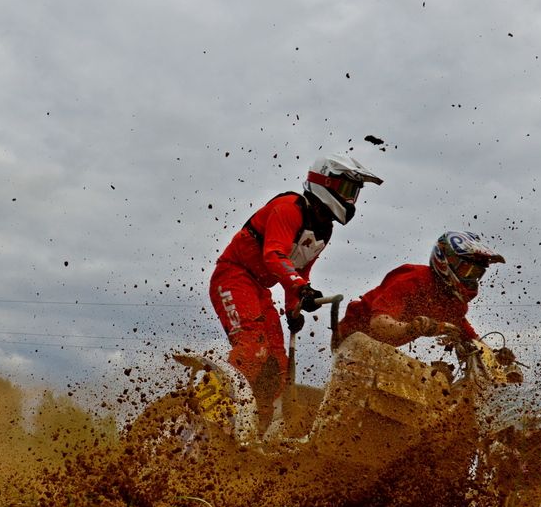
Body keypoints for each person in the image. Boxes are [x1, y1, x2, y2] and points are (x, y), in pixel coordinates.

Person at [209, 154, 382, 436]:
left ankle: (259, 429)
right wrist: (301, 288)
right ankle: (214, 410)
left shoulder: (323, 231)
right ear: (325, 182)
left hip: (259, 289)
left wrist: (295, 305)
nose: (352, 200)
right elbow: (274, 256)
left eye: (355, 193)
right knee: (254, 346)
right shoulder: (288, 208)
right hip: (233, 275)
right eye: (349, 190)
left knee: (279, 363)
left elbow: (299, 272)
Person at [339, 231, 505, 350]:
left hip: (382, 349)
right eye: (466, 270)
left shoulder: (452, 302)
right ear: (446, 260)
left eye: (476, 273)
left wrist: (496, 358)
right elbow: (378, 324)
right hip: (352, 334)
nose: (470, 278)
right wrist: (415, 328)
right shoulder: (412, 279)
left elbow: (471, 338)